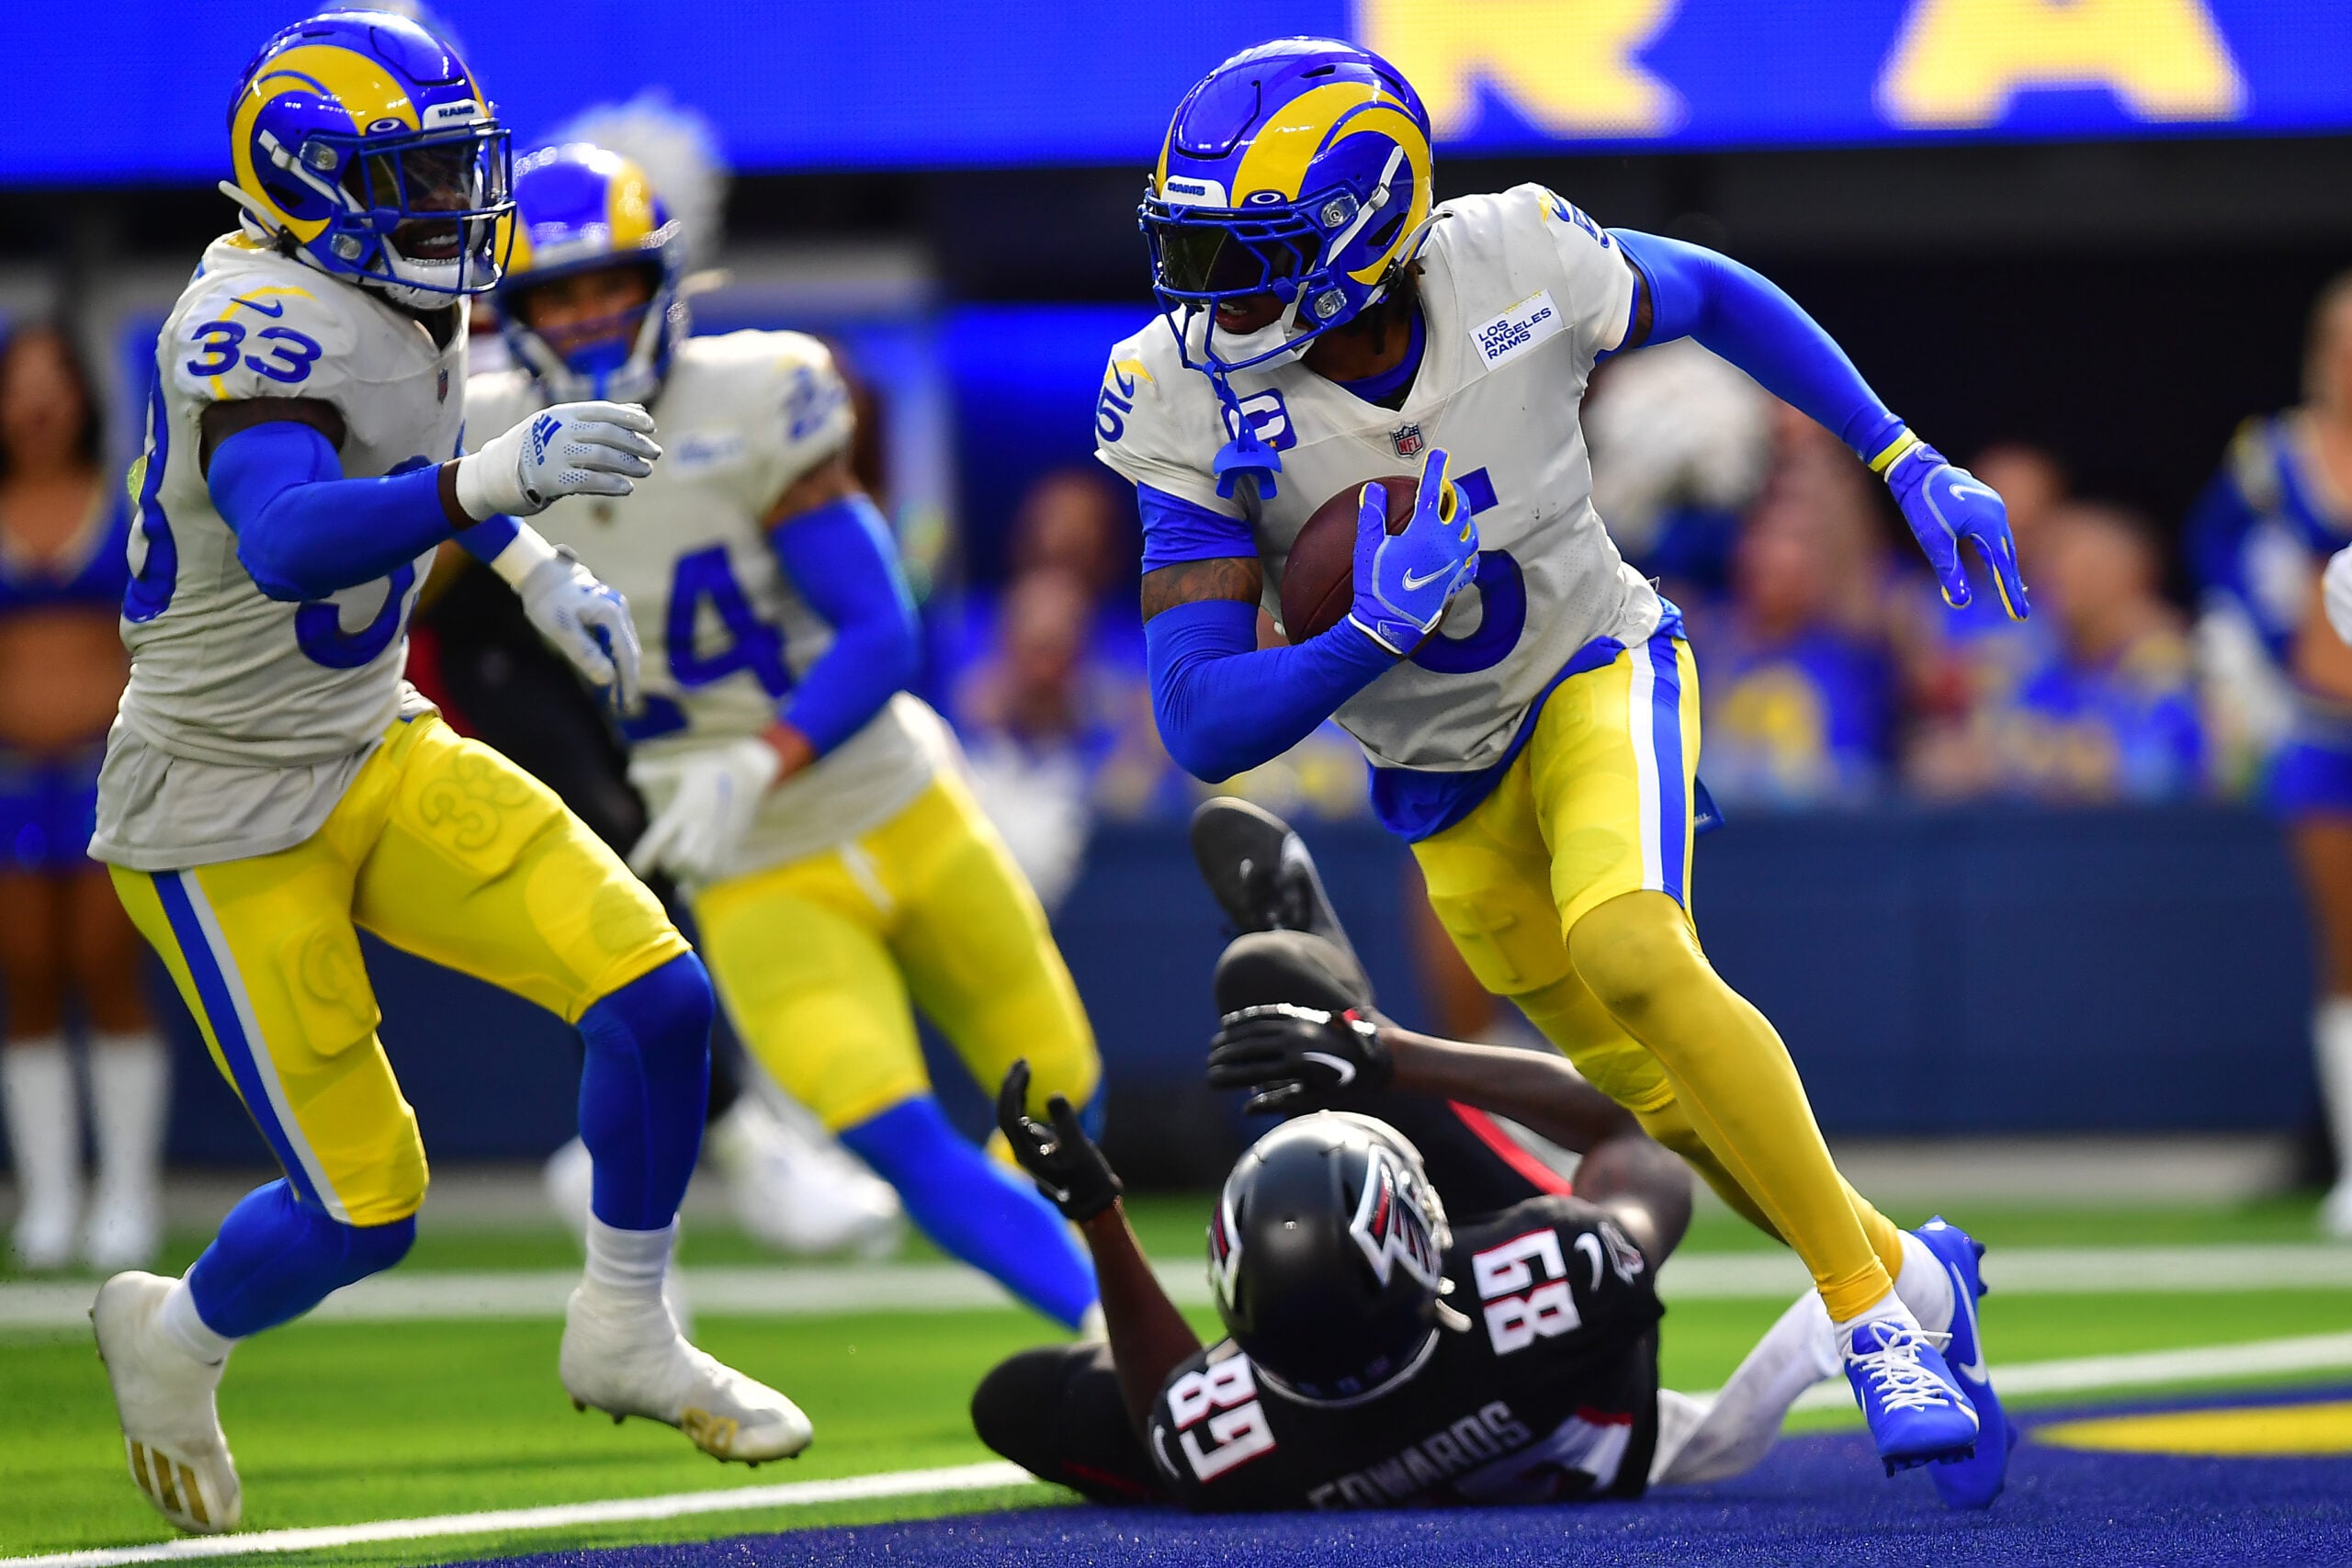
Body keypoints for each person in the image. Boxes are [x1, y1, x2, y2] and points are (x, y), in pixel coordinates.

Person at [1094, 38, 2024, 1484]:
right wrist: (1370, 634)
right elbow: (1203, 721)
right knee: (1660, 1100)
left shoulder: (1511, 256)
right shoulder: (1184, 395)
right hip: (1441, 787)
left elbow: (1713, 292)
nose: (1211, 292)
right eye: (1198, 246)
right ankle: (1911, 1271)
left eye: (1251, 252)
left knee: (1635, 945)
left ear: (1360, 233)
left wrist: (1899, 454)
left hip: (1595, 671)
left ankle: (1869, 1317)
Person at [85, 14, 808, 1535]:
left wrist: (534, 566)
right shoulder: (249, 319)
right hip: (219, 803)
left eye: (452, 172)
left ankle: (625, 1321)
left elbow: (415, 447)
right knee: (368, 1212)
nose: (456, 211)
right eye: (413, 179)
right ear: (308, 185)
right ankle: (173, 1332)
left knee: (657, 998)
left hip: (367, 739)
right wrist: (494, 483)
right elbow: (287, 532)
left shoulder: (393, 294)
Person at [467, 142, 1103, 1328]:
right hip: (753, 872)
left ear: (662, 284)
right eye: (561, 294)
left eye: (612, 283)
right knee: (896, 1133)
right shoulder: (482, 432)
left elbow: (880, 629)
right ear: (517, 313)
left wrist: (763, 755)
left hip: (892, 795)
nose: (593, 317)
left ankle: (1099, 1301)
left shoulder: (756, 390)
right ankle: (1113, 1332)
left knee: (1065, 1089)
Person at [974, 799, 2007, 1511]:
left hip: (1358, 1421)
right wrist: (1392, 1059)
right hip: (1570, 1396)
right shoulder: (1544, 1295)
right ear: (1434, 1251)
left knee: (1020, 1402)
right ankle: (1338, 997)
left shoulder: (1231, 1451)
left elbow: (1168, 1420)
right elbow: (1622, 1131)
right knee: (1277, 991)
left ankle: (1321, 986)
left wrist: (1102, 1213)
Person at [0, 325, 168, 1271]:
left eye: (51, 383)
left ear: (81, 396)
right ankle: (51, 1198)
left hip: (115, 777)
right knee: (26, 974)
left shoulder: (130, 500)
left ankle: (128, 1194)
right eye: (16, 386)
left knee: (106, 966)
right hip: (12, 782)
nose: (35, 405)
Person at [2206, 274, 2352, 1235]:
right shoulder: (2271, 457)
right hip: (2322, 725)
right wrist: (2266, 657)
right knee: (2344, 949)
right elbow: (2219, 559)